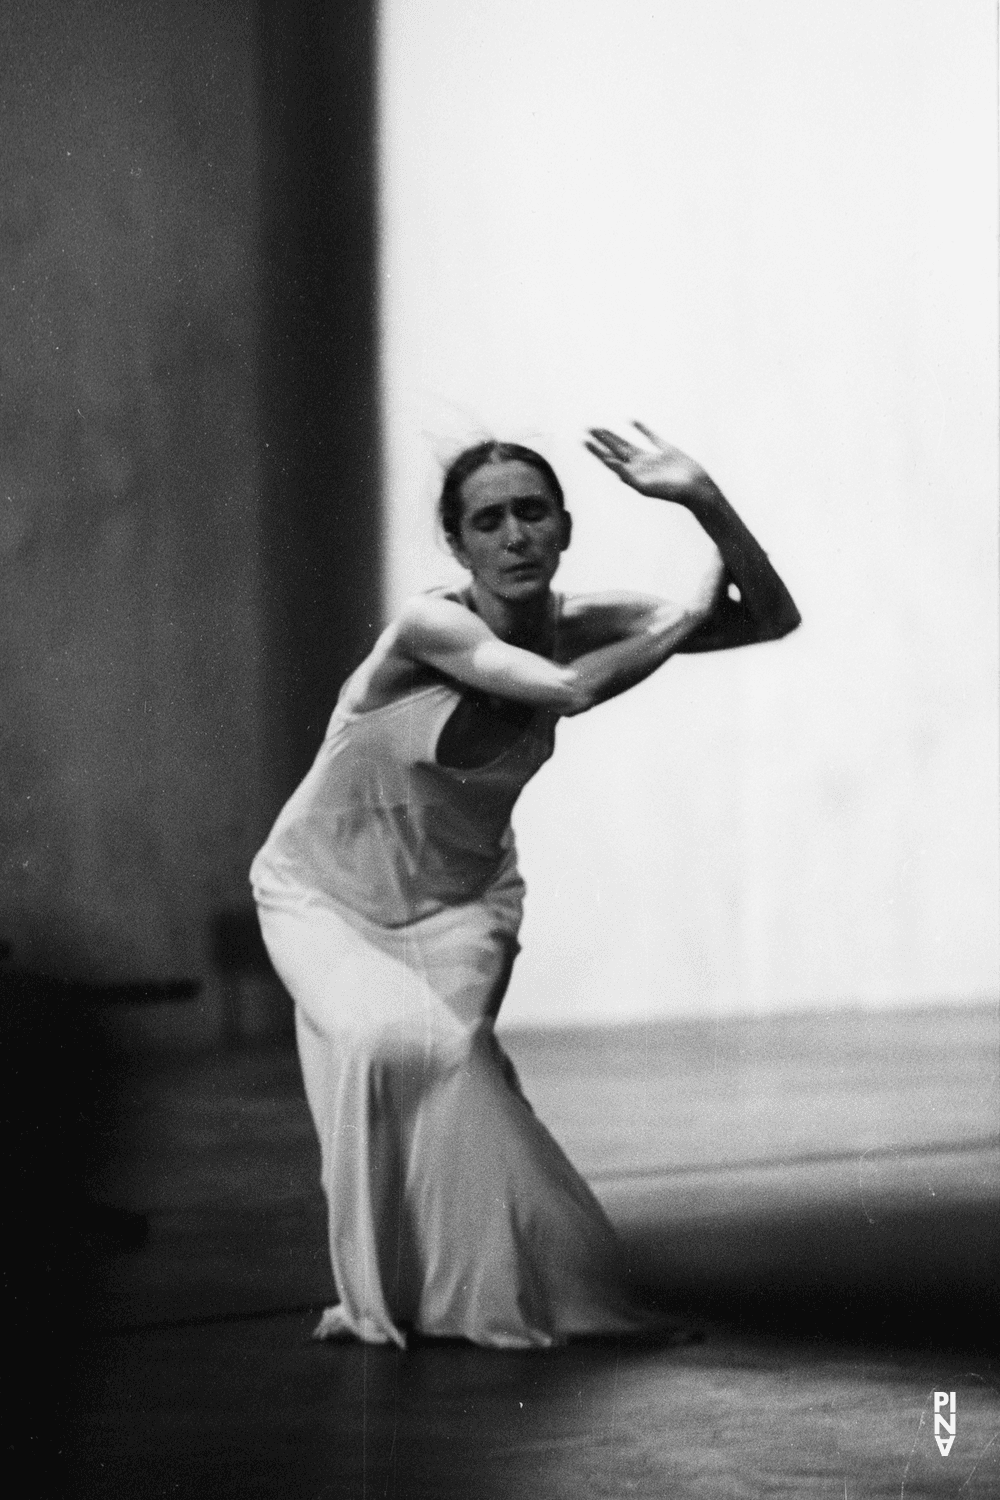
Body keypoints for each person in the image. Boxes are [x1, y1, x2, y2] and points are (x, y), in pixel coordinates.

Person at [250, 422, 800, 1349]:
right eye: (489, 520)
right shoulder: (431, 626)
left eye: (532, 514)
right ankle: (473, 1285)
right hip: (323, 897)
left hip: (463, 898)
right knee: (394, 1047)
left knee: (448, 1068)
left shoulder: (586, 619)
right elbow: (561, 691)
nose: (515, 536)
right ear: (457, 544)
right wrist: (686, 610)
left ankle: (494, 1291)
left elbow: (774, 619)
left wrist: (705, 499)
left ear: (564, 528)